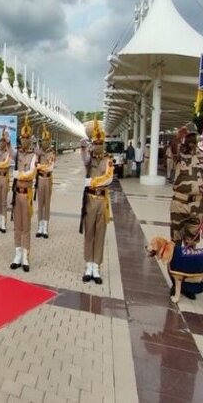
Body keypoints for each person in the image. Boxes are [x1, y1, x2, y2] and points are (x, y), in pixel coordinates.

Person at [169, 122, 203, 299]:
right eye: (189, 136)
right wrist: (178, 136)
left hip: (197, 206)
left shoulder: (202, 156)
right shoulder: (180, 153)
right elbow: (173, 149)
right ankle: (175, 283)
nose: (192, 139)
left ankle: (188, 285)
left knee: (191, 247)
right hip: (179, 204)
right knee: (176, 247)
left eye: (194, 136)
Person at [80, 119, 113, 284]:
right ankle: (88, 266)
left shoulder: (108, 160)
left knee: (100, 234)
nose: (98, 145)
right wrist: (83, 147)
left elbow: (108, 178)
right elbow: (84, 158)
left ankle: (96, 267)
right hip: (89, 201)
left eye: (100, 143)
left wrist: (92, 182)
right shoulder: (90, 159)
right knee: (89, 233)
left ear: (103, 143)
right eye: (95, 143)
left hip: (102, 200)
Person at [9, 116, 37, 272]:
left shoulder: (33, 156)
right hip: (17, 194)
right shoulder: (17, 153)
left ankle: (26, 257)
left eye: (27, 138)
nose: (24, 140)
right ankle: (17, 254)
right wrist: (7, 142)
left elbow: (31, 173)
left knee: (26, 227)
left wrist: (19, 175)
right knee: (17, 226)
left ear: (30, 139)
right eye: (22, 138)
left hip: (26, 194)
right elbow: (11, 152)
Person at [36, 124, 55, 239]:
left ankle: (46, 227)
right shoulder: (38, 153)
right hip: (40, 179)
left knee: (46, 204)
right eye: (43, 140)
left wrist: (39, 166)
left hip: (48, 179)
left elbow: (50, 167)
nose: (45, 142)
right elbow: (34, 165)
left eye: (47, 140)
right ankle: (40, 226)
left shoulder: (51, 153)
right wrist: (39, 165)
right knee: (40, 204)